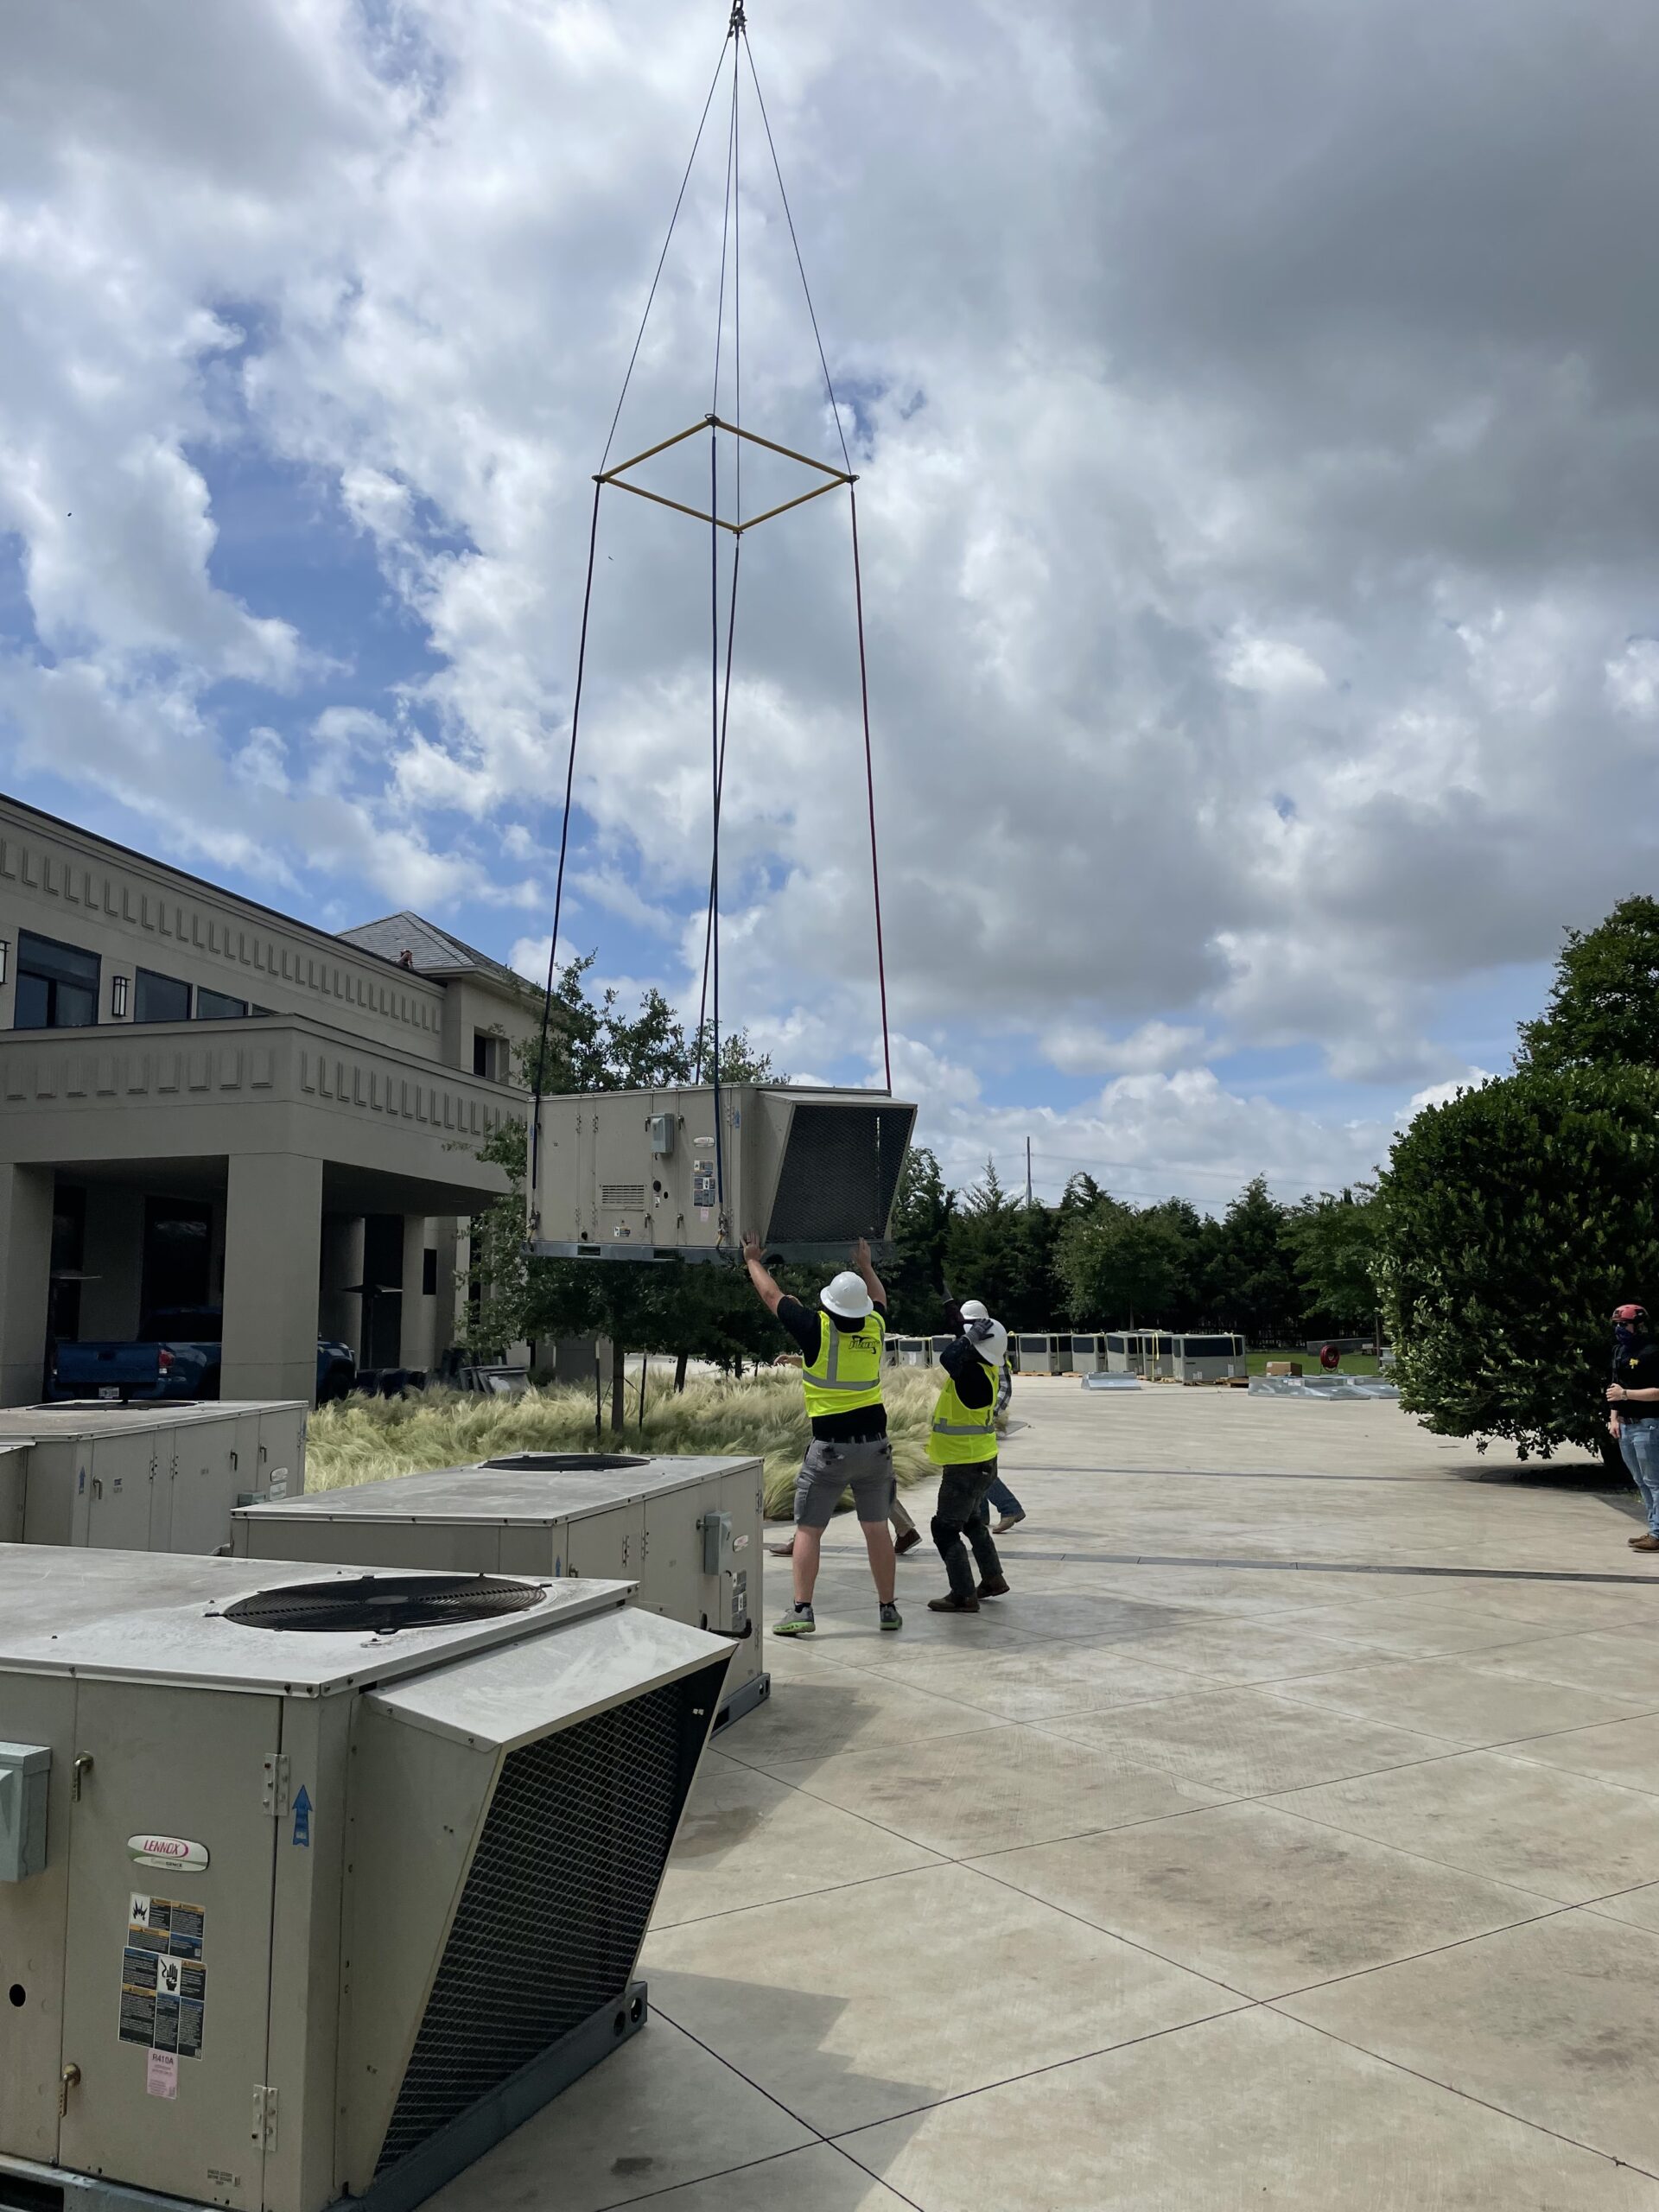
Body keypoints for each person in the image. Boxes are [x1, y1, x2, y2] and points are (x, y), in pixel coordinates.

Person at [743, 1232, 904, 1634]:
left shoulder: (816, 1329)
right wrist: (867, 1266)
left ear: (829, 1303)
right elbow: (880, 1298)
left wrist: (752, 1260)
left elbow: (771, 1295)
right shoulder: (875, 1326)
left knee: (809, 1530)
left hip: (830, 1450)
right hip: (876, 1448)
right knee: (877, 1529)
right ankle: (888, 1609)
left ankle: (802, 1611)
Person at [926, 1315, 1013, 1613]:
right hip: (982, 1459)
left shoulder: (971, 1373)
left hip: (964, 1465)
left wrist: (969, 1336)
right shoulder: (987, 1369)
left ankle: (963, 1595)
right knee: (972, 1521)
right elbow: (960, 1346)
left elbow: (948, 1356)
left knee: (944, 1528)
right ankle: (993, 1578)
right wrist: (959, 1320)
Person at [953, 1298, 1027, 1531]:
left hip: (981, 1419)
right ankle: (980, 1515)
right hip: (967, 1418)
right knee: (977, 1468)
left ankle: (1009, 1508)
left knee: (979, 1470)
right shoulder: (966, 1347)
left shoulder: (994, 1348)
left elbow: (1005, 1387)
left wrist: (992, 1412)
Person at [1607, 1301, 1659, 1552]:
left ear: (1638, 1326)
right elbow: (1614, 1389)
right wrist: (1613, 1418)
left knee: (1654, 1481)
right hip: (1626, 1426)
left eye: (1624, 1324)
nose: (1620, 1329)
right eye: (1617, 1324)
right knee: (1640, 1480)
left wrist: (1626, 1395)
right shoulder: (1619, 1352)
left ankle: (1658, 1534)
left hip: (1648, 1425)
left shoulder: (1653, 1352)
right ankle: (1654, 1529)